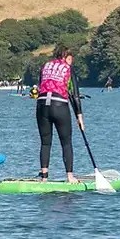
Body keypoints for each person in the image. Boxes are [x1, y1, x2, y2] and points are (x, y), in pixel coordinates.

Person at [36, 44, 85, 183]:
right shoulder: (68, 68)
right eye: (70, 59)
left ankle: (44, 177)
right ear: (65, 57)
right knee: (66, 142)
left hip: (42, 105)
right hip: (59, 105)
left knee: (45, 142)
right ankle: (70, 176)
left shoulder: (45, 66)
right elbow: (75, 94)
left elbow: (41, 86)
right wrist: (79, 116)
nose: (71, 62)